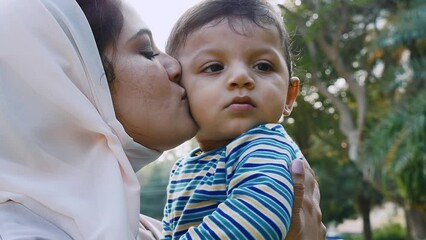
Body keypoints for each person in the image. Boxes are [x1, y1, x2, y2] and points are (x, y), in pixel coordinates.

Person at [0, 0, 325, 239]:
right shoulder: (24, 231)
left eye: (264, 66)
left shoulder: (135, 226)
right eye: (147, 52)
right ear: (75, 84)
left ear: (289, 94)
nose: (174, 68)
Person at [161, 0, 318, 239]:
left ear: (289, 95)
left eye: (263, 66)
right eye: (214, 67)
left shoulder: (264, 146)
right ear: (178, 91)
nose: (241, 77)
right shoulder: (182, 169)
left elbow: (258, 216)